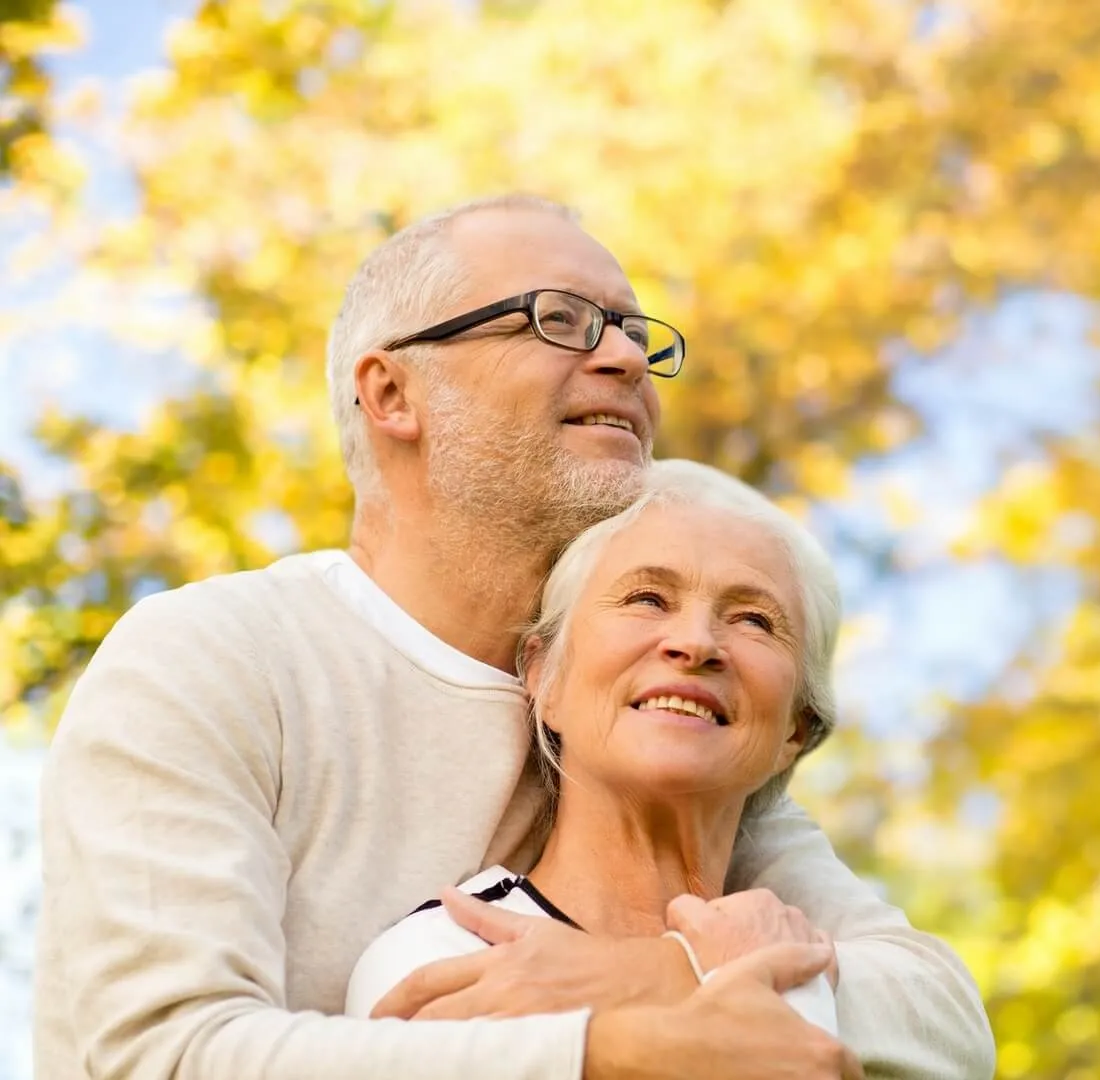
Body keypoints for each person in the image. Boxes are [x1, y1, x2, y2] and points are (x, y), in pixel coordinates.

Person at [33, 195, 994, 1080]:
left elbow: (940, 1018)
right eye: (558, 320)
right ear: (392, 393)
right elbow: (162, 1053)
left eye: (631, 332)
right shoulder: (217, 658)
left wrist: (655, 974)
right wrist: (608, 1046)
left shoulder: (644, 723)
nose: (623, 358)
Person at [344, 461, 847, 1037]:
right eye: (648, 599)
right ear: (544, 676)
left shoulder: (808, 955)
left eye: (755, 619)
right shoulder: (451, 953)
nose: (695, 643)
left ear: (795, 731)